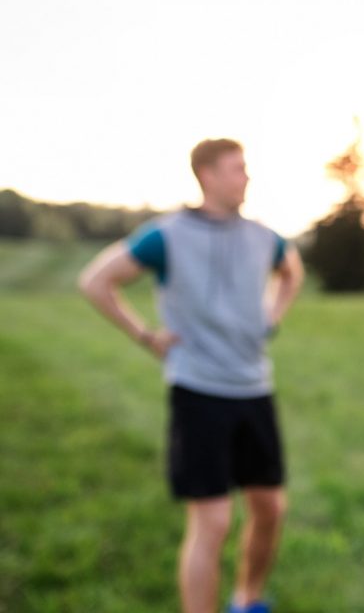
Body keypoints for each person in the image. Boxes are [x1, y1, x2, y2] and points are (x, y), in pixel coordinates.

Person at [78, 139, 304, 613]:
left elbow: (291, 271)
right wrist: (146, 335)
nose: (246, 176)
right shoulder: (167, 236)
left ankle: (247, 599)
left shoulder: (263, 237)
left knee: (270, 509)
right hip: (198, 390)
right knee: (213, 522)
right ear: (207, 175)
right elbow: (96, 281)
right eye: (237, 168)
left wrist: (273, 314)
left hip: (254, 388)